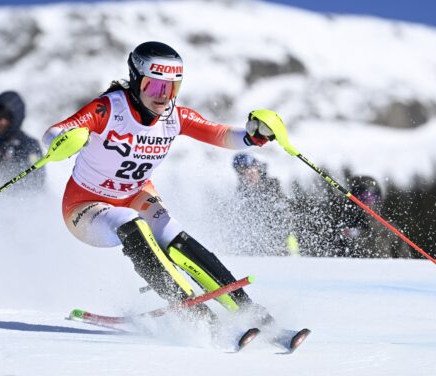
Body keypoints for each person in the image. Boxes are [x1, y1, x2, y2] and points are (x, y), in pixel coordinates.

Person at [41, 41, 285, 325]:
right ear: (136, 81)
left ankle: (248, 310)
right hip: (84, 205)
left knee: (173, 234)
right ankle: (196, 317)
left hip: (135, 193)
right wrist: (62, 142)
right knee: (132, 222)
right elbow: (55, 132)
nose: (163, 96)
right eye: (154, 87)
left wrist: (252, 136)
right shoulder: (108, 109)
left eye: (171, 88)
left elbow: (218, 133)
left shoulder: (174, 117)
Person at [0, 91, 45, 194]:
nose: (2, 122)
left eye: (7, 117)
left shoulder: (29, 146)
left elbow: (37, 183)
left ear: (16, 119)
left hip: (21, 204)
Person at [230, 153, 295, 256]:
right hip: (259, 246)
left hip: (284, 241)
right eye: (244, 173)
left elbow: (285, 216)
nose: (249, 175)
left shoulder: (272, 185)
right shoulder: (242, 193)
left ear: (257, 169)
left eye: (251, 170)